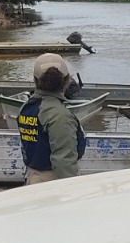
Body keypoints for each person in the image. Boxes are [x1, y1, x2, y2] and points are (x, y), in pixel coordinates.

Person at [18, 53, 86, 182]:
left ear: (35, 80)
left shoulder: (27, 107)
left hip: (33, 177)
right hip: (53, 181)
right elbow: (64, 162)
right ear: (66, 80)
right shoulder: (59, 115)